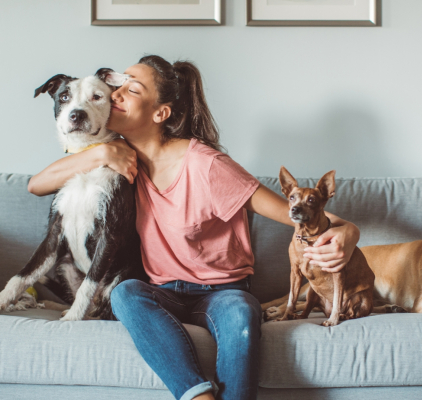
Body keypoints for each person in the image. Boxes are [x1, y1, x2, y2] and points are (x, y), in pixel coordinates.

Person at [28, 55, 360, 400]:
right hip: (162, 290)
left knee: (242, 313)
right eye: (119, 85)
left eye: (132, 89)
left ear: (160, 113)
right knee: (125, 293)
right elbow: (37, 185)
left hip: (221, 291)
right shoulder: (117, 157)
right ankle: (199, 397)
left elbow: (293, 213)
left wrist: (349, 232)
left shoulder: (207, 165)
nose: (116, 94)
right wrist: (99, 155)